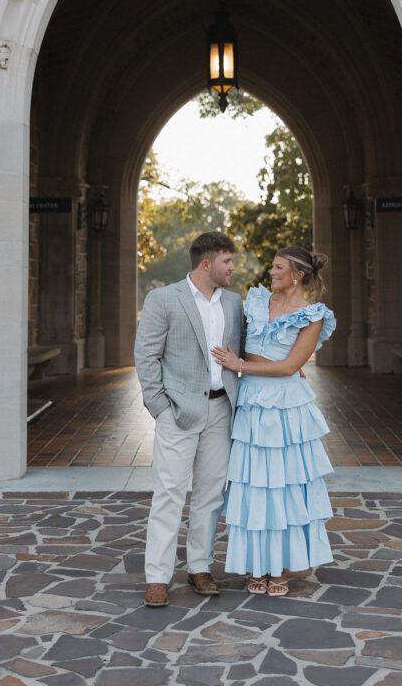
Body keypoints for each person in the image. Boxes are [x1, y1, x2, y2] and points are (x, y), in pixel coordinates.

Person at [211, 245, 336, 597]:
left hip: (286, 409)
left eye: (279, 267)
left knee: (282, 485)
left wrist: (239, 366)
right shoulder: (254, 302)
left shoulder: (313, 315)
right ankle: (256, 566)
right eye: (272, 266)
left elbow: (289, 367)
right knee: (254, 485)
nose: (272, 272)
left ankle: (280, 566)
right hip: (251, 403)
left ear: (298, 274)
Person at [134, 231, 245, 607]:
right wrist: (160, 407)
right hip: (178, 412)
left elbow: (247, 350)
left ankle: (200, 566)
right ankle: (158, 576)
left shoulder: (233, 303)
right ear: (206, 263)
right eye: (228, 261)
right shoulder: (164, 299)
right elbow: (146, 356)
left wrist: (289, 367)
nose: (233, 268)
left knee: (211, 495)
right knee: (169, 494)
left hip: (221, 410)